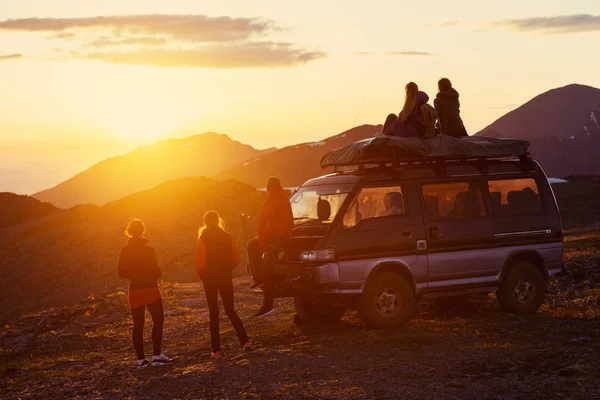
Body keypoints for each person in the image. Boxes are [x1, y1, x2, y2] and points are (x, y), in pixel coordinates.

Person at [196, 211, 252, 358]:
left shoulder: (203, 237)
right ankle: (245, 342)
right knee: (230, 310)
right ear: (218, 221)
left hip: (210, 280)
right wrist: (227, 270)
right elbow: (236, 259)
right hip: (225, 278)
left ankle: (216, 350)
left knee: (214, 313)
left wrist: (203, 275)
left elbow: (200, 262)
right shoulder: (228, 237)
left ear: (206, 223)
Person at [118, 219, 172, 369]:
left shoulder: (124, 250)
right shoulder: (149, 249)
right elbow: (156, 271)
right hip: (150, 289)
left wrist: (135, 275)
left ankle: (141, 360)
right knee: (158, 320)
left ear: (129, 231)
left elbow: (121, 272)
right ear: (142, 231)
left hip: (134, 289)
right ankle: (156, 356)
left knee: (138, 325)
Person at [253, 176, 294, 318]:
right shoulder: (285, 199)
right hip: (285, 238)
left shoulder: (272, 200)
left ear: (270, 188)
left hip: (274, 238)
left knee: (267, 269)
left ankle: (267, 303)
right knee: (268, 266)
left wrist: (262, 237)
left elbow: (262, 220)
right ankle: (260, 279)